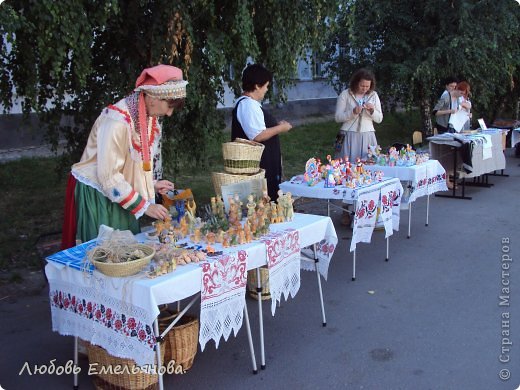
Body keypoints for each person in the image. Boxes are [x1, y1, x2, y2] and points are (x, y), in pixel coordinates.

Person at [61, 64, 187, 248]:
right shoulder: (116, 122)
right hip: (100, 195)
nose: (169, 113)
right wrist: (146, 206)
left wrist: (150, 184)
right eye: (169, 106)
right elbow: (108, 175)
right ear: (152, 98)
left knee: (128, 252)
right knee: (107, 255)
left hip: (119, 191)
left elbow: (131, 164)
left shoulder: (146, 117)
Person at [231, 64, 293, 201]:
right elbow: (257, 135)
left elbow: (259, 129)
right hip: (259, 165)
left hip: (264, 162)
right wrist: (280, 128)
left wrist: (275, 125)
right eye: (266, 86)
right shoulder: (248, 105)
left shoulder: (249, 104)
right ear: (257, 86)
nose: (266, 90)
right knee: (264, 201)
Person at [334, 68, 383, 163]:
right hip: (348, 135)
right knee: (347, 165)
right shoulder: (345, 94)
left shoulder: (373, 95)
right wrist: (353, 112)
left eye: (367, 86)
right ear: (356, 82)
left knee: (368, 165)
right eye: (362, 85)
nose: (364, 89)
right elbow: (338, 117)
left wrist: (372, 111)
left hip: (367, 135)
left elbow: (379, 119)